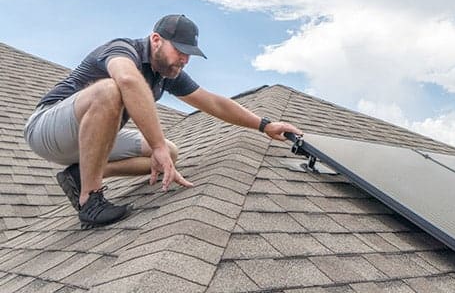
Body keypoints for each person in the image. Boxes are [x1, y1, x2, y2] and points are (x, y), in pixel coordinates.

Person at [24, 14, 302, 229]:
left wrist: (264, 125)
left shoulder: (167, 74)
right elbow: (128, 81)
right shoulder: (123, 49)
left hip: (88, 140)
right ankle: (90, 200)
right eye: (179, 50)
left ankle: (80, 176)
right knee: (110, 89)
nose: (184, 59)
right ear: (156, 40)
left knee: (170, 153)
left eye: (189, 54)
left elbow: (212, 102)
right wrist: (154, 143)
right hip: (47, 129)